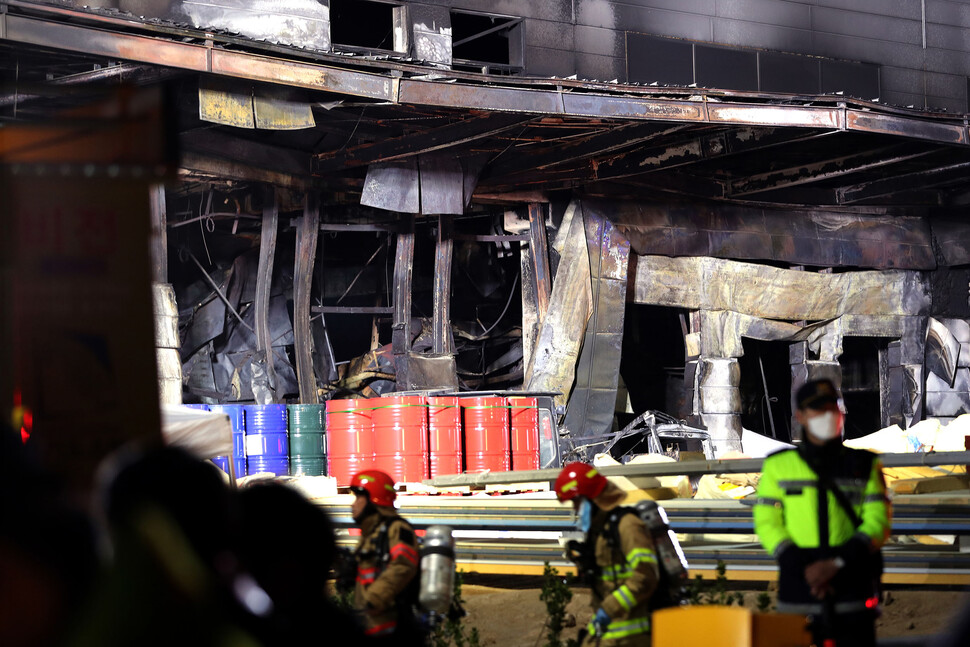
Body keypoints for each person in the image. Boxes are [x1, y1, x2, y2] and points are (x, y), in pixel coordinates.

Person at [753, 378, 891, 647]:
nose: (826, 416)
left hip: (851, 586)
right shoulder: (779, 466)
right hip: (798, 587)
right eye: (818, 409)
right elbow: (767, 522)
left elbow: (878, 521)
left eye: (832, 408)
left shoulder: (865, 464)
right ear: (800, 417)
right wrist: (805, 567)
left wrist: (835, 564)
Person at [554, 462, 659, 646]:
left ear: (593, 498)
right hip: (611, 635)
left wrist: (609, 608)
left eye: (577, 502)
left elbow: (645, 577)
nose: (576, 509)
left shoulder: (628, 525)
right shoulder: (600, 532)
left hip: (633, 638)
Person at [349, 469, 421, 644]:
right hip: (371, 628)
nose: (353, 505)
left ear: (374, 500)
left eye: (359, 498)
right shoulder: (370, 535)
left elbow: (403, 564)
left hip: (394, 632)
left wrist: (373, 599)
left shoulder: (396, 528)